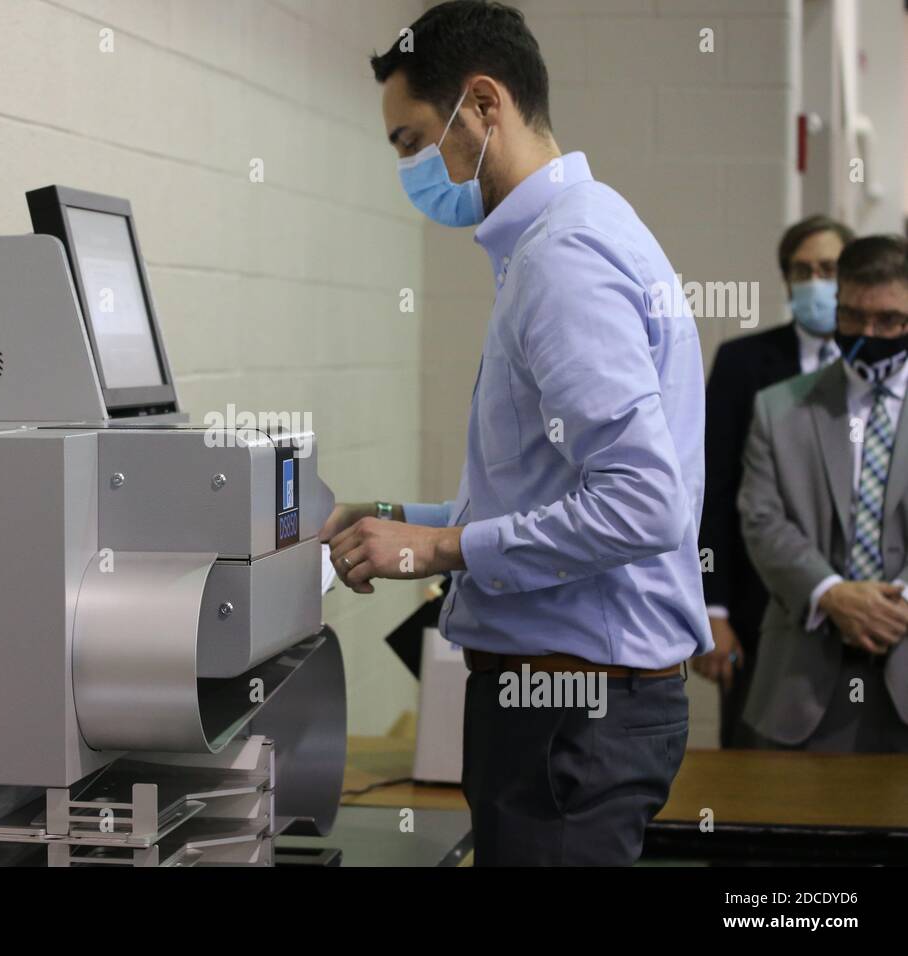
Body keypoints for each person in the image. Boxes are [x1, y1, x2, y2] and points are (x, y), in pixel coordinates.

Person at [319, 0, 711, 865]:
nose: (411, 167)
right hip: (565, 710)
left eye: (412, 140)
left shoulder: (563, 261)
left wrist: (440, 549)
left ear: (483, 106)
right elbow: (548, 495)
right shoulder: (562, 240)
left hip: (574, 720)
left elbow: (645, 507)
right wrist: (389, 518)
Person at [739, 235, 908, 752]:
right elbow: (761, 519)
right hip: (802, 682)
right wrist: (830, 592)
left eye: (890, 322)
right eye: (853, 317)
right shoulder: (780, 407)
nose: (868, 334)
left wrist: (895, 605)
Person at [696, 215, 854, 748]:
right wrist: (711, 611)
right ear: (786, 280)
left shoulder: (882, 367)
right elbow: (712, 490)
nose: (815, 282)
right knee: (755, 778)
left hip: (868, 618)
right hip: (757, 614)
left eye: (829, 269)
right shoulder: (743, 364)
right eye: (802, 270)